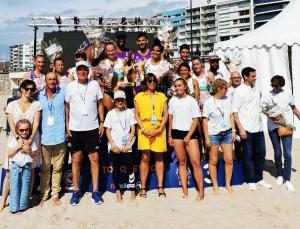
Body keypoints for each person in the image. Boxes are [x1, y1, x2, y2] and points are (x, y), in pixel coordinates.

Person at [65, 60, 105, 205]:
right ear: (76, 72)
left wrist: (101, 122)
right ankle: (76, 190)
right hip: (75, 129)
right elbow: (67, 108)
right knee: (76, 159)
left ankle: (95, 191)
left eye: (85, 70)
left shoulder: (94, 84)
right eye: (80, 70)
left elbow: (100, 105)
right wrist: (67, 126)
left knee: (94, 160)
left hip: (92, 127)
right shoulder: (70, 86)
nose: (82, 72)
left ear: (88, 71)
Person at [1, 80, 41, 211]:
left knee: (31, 171)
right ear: (22, 89)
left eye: (32, 89)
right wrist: (19, 140)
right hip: (15, 140)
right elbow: (11, 125)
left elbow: (35, 124)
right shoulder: (11, 105)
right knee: (8, 172)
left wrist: (29, 140)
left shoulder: (36, 104)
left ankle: (26, 200)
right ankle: (3, 201)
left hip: (32, 139)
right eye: (27, 89)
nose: (30, 91)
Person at [233, 67, 272, 191]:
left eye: (255, 76)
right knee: (248, 155)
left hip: (259, 128)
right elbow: (235, 112)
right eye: (253, 76)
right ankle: (250, 180)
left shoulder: (255, 89)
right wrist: (241, 129)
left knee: (261, 153)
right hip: (246, 128)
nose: (255, 78)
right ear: (245, 77)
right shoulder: (239, 91)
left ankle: (259, 178)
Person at [168, 78, 204, 201]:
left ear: (184, 86)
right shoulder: (172, 101)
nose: (177, 88)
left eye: (180, 85)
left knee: (195, 163)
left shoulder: (192, 100)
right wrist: (169, 135)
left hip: (190, 134)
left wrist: (188, 135)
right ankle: (185, 190)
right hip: (177, 134)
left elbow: (195, 120)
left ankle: (201, 192)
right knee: (182, 162)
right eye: (176, 86)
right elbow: (170, 119)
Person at [262, 75, 300, 191]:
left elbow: (293, 108)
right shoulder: (268, 94)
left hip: (286, 126)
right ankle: (279, 174)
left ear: (281, 85)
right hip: (272, 127)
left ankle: (287, 179)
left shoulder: (288, 93)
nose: (274, 87)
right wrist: (272, 115)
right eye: (272, 85)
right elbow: (263, 109)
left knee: (287, 154)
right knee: (277, 153)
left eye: (276, 86)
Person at [134, 73, 168, 198]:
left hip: (159, 130)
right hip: (144, 130)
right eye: (149, 81)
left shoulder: (162, 96)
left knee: (159, 158)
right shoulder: (139, 96)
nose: (152, 83)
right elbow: (136, 114)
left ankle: (160, 186)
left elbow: (165, 114)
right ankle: (143, 187)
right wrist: (142, 129)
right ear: (146, 82)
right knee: (145, 158)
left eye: (154, 81)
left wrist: (160, 128)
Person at [38, 72, 66, 206]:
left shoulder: (63, 93)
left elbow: (68, 110)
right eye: (50, 79)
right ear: (45, 80)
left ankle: (55, 194)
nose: (52, 81)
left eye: (54, 79)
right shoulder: (38, 96)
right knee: (45, 169)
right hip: (45, 137)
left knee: (58, 168)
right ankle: (44, 195)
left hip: (60, 136)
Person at [202, 79, 235, 194]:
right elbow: (205, 121)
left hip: (227, 132)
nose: (227, 90)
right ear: (219, 89)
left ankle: (228, 184)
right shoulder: (208, 102)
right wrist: (206, 138)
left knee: (229, 159)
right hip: (214, 134)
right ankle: (215, 185)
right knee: (213, 160)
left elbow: (231, 116)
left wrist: (234, 131)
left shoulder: (228, 99)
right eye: (225, 88)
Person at [104, 90, 137, 202]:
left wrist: (128, 144)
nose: (120, 102)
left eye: (122, 100)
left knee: (130, 169)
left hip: (127, 146)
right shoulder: (110, 113)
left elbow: (133, 130)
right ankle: (118, 193)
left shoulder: (129, 112)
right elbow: (107, 131)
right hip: (115, 147)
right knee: (116, 170)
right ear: (114, 101)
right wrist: (113, 145)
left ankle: (133, 192)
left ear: (125, 100)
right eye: (117, 100)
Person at [7, 119, 37, 214]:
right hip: (15, 166)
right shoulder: (13, 139)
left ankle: (23, 206)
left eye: (26, 129)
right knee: (15, 186)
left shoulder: (31, 142)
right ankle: (14, 208)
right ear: (17, 130)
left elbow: (34, 155)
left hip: (27, 167)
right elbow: (9, 154)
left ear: (30, 130)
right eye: (21, 130)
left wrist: (28, 150)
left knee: (25, 187)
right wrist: (17, 147)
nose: (24, 132)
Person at [99, 42, 129, 111]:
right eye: (108, 51)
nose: (110, 52)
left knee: (122, 114)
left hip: (120, 91)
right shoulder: (102, 63)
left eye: (112, 50)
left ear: (115, 50)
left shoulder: (122, 61)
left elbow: (127, 75)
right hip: (108, 92)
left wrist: (126, 72)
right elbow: (98, 78)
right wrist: (104, 84)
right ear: (106, 52)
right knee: (110, 115)